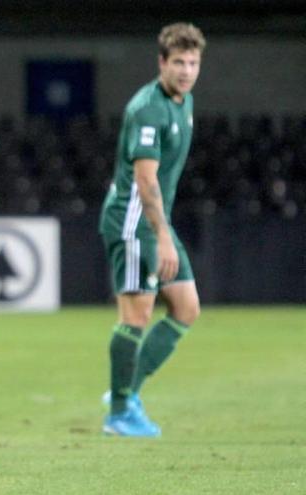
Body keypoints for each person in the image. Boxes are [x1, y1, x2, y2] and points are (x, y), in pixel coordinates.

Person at [98, 22, 206, 437]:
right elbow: (145, 182)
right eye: (178, 61)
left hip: (154, 220)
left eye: (193, 62)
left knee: (186, 308)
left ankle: (125, 392)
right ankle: (120, 414)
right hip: (132, 219)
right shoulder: (148, 108)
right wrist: (162, 235)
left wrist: (162, 229)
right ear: (162, 62)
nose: (186, 70)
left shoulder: (185, 101)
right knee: (138, 313)